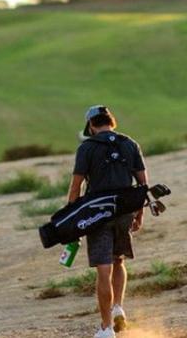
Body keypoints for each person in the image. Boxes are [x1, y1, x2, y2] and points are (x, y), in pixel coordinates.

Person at [68, 106, 148, 338]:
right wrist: (139, 213)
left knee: (103, 269)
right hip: (124, 211)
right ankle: (118, 307)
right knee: (118, 260)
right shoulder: (130, 143)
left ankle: (106, 328)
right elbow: (143, 183)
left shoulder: (87, 147)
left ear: (91, 126)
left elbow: (77, 186)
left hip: (97, 213)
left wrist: (71, 217)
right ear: (112, 122)